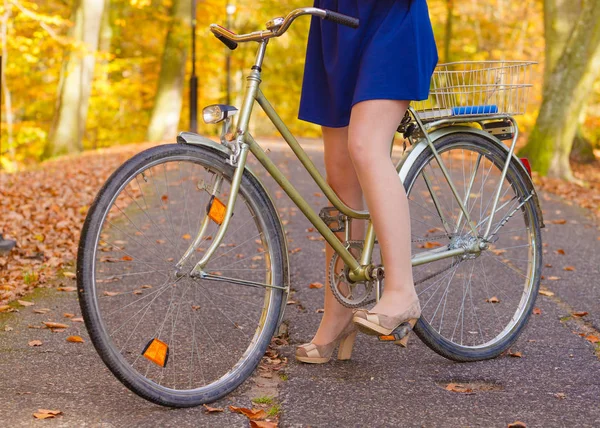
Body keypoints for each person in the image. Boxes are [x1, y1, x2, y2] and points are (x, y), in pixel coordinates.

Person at [295, 0, 439, 363]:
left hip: (391, 15)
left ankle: (401, 291)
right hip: (335, 22)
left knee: (365, 144)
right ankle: (338, 312)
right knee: (339, 178)